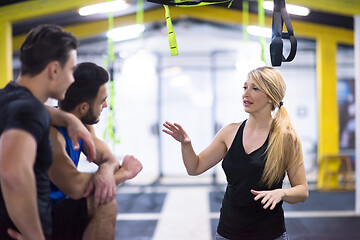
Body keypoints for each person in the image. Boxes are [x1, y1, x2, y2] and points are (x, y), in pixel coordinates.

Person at [163, 66, 309, 240]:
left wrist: (281, 193)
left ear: (271, 96)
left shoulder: (286, 138)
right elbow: (195, 168)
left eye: (255, 88)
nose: (246, 94)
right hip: (228, 232)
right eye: (245, 87)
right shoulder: (229, 133)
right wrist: (186, 145)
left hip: (270, 233)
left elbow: (302, 191)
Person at [0, 24, 94, 240]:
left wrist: (68, 119)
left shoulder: (7, 97)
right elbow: (12, 174)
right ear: (53, 70)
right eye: (71, 71)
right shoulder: (29, 111)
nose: (72, 80)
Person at [47, 62, 143, 240]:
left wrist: (105, 171)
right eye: (102, 101)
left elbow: (108, 158)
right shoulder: (51, 135)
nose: (105, 105)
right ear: (83, 108)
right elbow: (75, 186)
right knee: (104, 202)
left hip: (55, 209)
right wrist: (125, 173)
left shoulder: (81, 124)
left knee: (102, 201)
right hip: (32, 218)